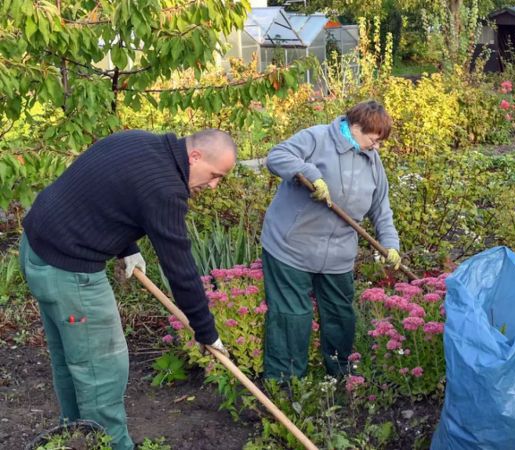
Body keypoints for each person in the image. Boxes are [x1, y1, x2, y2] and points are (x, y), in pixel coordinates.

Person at [20, 129, 237, 449]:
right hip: (69, 273)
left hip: (37, 248)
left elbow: (106, 195)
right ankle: (113, 445)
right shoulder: (166, 189)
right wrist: (207, 333)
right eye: (215, 175)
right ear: (195, 157)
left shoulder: (139, 141)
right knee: (102, 370)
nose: (214, 185)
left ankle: (73, 438)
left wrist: (127, 247)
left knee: (71, 359)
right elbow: (180, 270)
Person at [261, 100, 401, 381]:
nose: (377, 147)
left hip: (338, 253)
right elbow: (277, 156)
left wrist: (391, 243)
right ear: (356, 127)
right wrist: (312, 175)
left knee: (340, 314)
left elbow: (380, 208)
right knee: (293, 315)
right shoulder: (317, 137)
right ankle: (285, 384)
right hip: (292, 247)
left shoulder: (372, 161)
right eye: (373, 140)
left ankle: (340, 373)